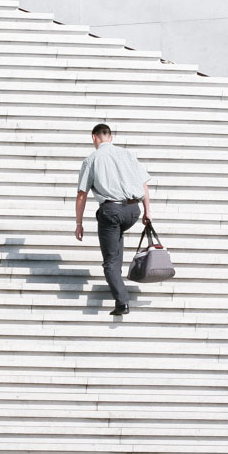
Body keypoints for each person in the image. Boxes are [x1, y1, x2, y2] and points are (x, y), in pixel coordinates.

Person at [75, 123, 152, 316]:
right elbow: (143, 185)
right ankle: (117, 276)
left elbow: (82, 194)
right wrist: (147, 211)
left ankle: (122, 302)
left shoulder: (91, 159)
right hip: (133, 210)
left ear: (94, 138)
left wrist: (79, 223)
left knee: (109, 262)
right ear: (110, 137)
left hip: (111, 211)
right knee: (115, 244)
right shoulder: (127, 155)